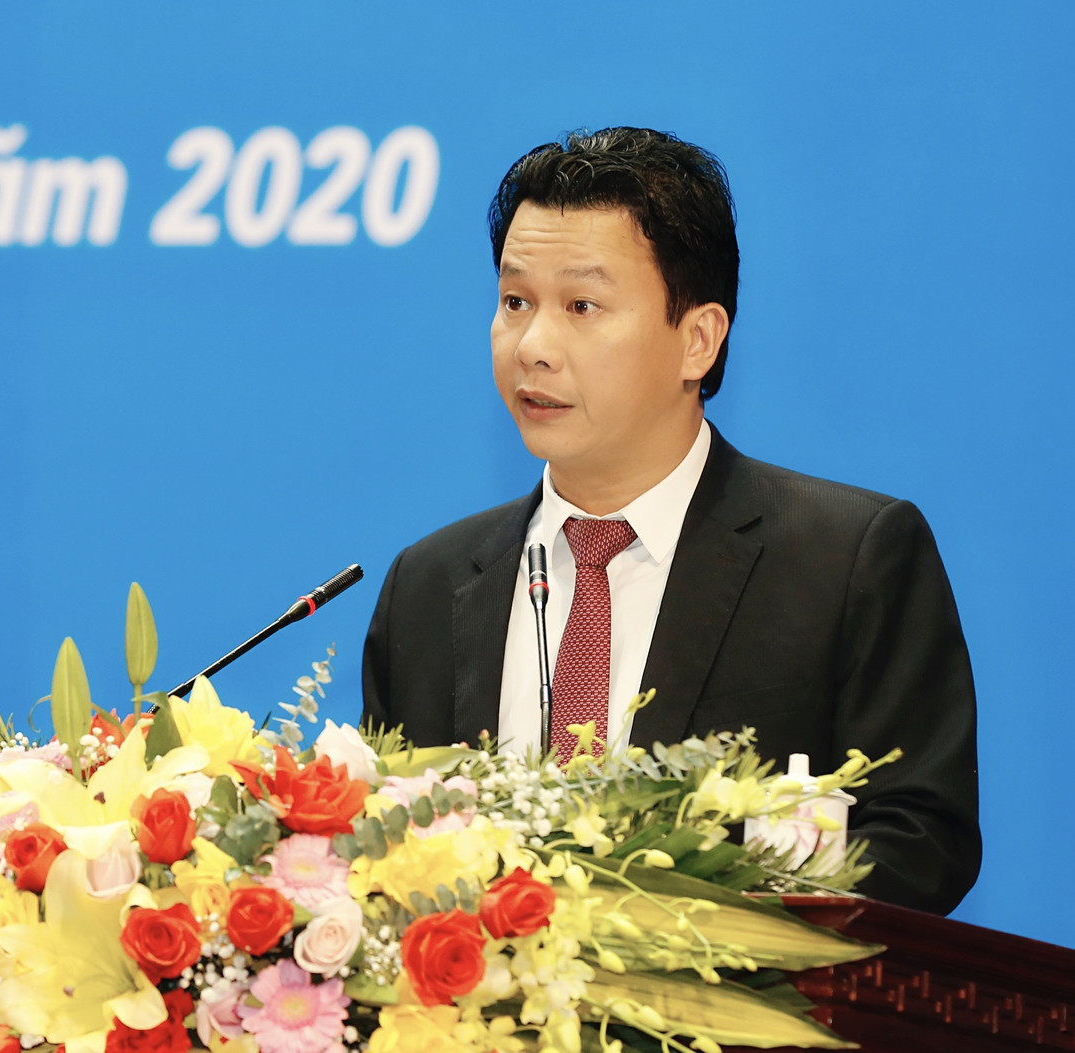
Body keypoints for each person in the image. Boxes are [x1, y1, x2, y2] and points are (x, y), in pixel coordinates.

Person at [360, 127, 980, 915]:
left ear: (697, 340)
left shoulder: (847, 559)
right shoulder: (428, 584)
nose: (533, 346)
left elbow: (921, 843)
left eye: (582, 305)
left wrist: (692, 922)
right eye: (516, 301)